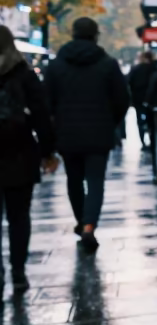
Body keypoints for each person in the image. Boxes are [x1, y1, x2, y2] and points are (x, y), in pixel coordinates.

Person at [43, 17, 130, 251]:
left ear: (72, 34)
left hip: (67, 133)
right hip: (98, 133)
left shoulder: (56, 65)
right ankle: (89, 226)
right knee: (95, 181)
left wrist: (53, 129)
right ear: (95, 35)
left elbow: (46, 102)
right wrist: (110, 121)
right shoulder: (107, 64)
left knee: (73, 180)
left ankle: (81, 220)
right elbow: (122, 98)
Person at [0, 26, 56, 292]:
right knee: (19, 216)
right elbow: (41, 115)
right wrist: (47, 152)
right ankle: (18, 271)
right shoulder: (24, 74)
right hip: (19, 152)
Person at [126, 50, 155, 146]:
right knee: (151, 121)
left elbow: (128, 82)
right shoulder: (153, 69)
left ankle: (142, 141)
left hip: (138, 99)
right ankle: (152, 140)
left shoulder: (135, 69)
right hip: (151, 100)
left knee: (140, 121)